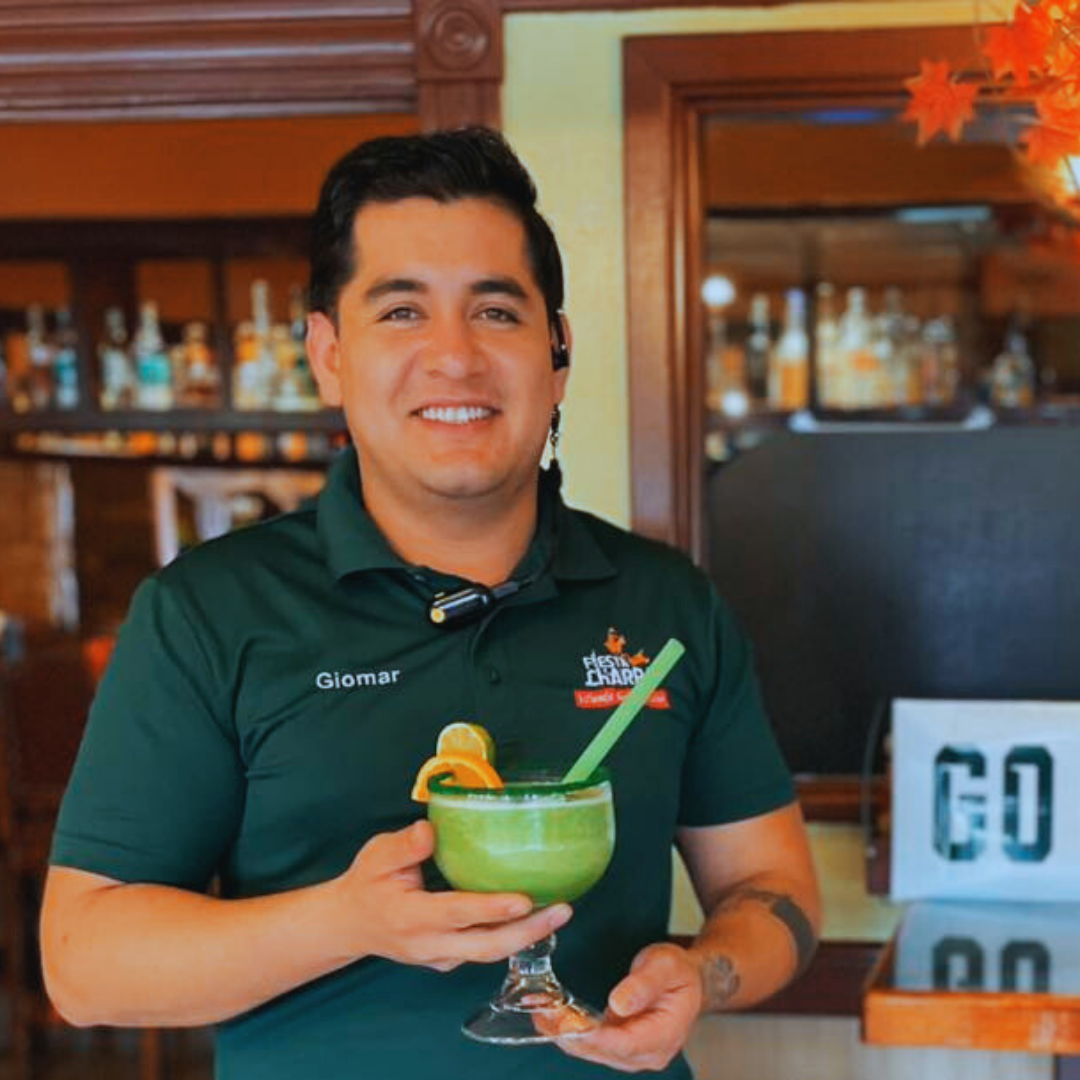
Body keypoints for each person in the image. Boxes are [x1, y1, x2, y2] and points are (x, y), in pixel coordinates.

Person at [41, 127, 820, 1079]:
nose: (453, 358)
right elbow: (85, 966)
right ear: (328, 354)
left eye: (496, 312)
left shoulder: (668, 606)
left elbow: (774, 889)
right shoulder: (208, 613)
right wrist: (346, 920)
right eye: (401, 311)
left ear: (557, 352)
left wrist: (708, 970)